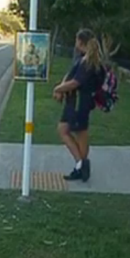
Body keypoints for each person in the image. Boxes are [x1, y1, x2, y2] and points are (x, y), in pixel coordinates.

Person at [53, 29, 105, 181]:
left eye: (76, 40)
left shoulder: (88, 63)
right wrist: (62, 87)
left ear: (81, 42)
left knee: (71, 132)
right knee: (76, 133)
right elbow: (70, 75)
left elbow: (76, 82)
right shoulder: (84, 59)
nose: (75, 43)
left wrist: (58, 88)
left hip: (79, 103)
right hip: (77, 102)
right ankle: (82, 165)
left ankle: (80, 165)